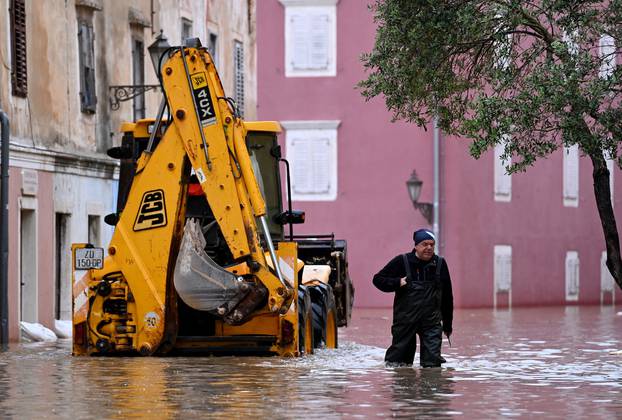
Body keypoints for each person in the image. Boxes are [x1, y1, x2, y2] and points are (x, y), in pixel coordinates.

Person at [373, 229, 453, 367]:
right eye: (425, 244)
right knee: (399, 364)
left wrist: (447, 325)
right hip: (405, 322)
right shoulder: (402, 261)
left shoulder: (440, 264)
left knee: (432, 366)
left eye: (432, 245)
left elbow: (447, 296)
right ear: (416, 245)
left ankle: (430, 387)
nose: (429, 248)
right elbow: (378, 279)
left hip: (431, 323)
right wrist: (397, 282)